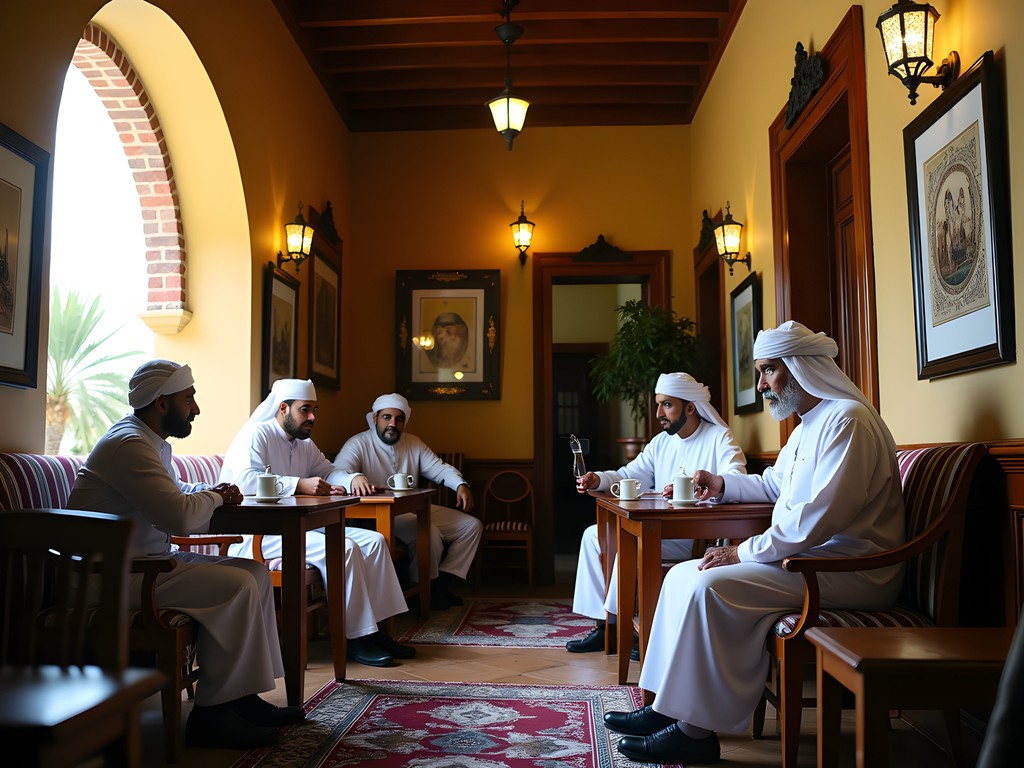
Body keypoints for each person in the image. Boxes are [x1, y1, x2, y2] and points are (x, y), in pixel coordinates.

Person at [603, 321, 906, 765]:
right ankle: (665, 707)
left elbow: (815, 520)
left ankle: (695, 732)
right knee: (683, 577)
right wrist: (721, 483)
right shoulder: (807, 426)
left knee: (709, 585)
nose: (761, 384)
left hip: (849, 570)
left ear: (802, 368)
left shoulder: (848, 421)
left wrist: (741, 551)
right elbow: (771, 486)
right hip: (808, 562)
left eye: (768, 371)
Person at [67, 360, 305, 750]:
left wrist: (210, 488)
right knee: (237, 584)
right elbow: (180, 516)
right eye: (189, 398)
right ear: (162, 404)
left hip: (143, 565)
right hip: (106, 577)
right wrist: (215, 497)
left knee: (255, 573)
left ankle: (242, 700)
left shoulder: (148, 442)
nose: (195, 408)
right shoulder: (128, 445)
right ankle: (212, 717)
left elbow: (173, 492)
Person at [218, 378, 414, 667]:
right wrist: (298, 484)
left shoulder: (303, 443)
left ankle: (378, 632)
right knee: (344, 548)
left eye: (315, 410)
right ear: (283, 408)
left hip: (297, 528)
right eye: (305, 410)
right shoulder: (256, 435)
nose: (313, 417)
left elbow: (329, 470)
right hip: (259, 533)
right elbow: (243, 482)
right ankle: (356, 639)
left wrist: (351, 478)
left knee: (374, 541)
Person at [567, 373, 746, 659]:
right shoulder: (661, 443)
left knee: (625, 539)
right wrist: (596, 479)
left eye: (667, 405)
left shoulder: (718, 437)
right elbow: (628, 475)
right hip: (658, 529)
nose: (659, 413)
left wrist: (706, 483)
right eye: (658, 405)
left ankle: (631, 631)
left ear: (690, 407)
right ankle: (606, 626)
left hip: (696, 535)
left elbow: (737, 477)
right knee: (593, 535)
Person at [332, 393, 481, 609]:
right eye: (386, 417)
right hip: (377, 515)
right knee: (428, 533)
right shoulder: (359, 443)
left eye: (398, 419)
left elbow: (438, 467)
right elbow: (337, 471)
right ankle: (419, 589)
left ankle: (440, 585)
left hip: (412, 508)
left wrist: (460, 484)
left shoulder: (413, 443)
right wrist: (354, 478)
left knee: (470, 526)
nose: (392, 424)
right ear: (375, 418)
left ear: (404, 422)